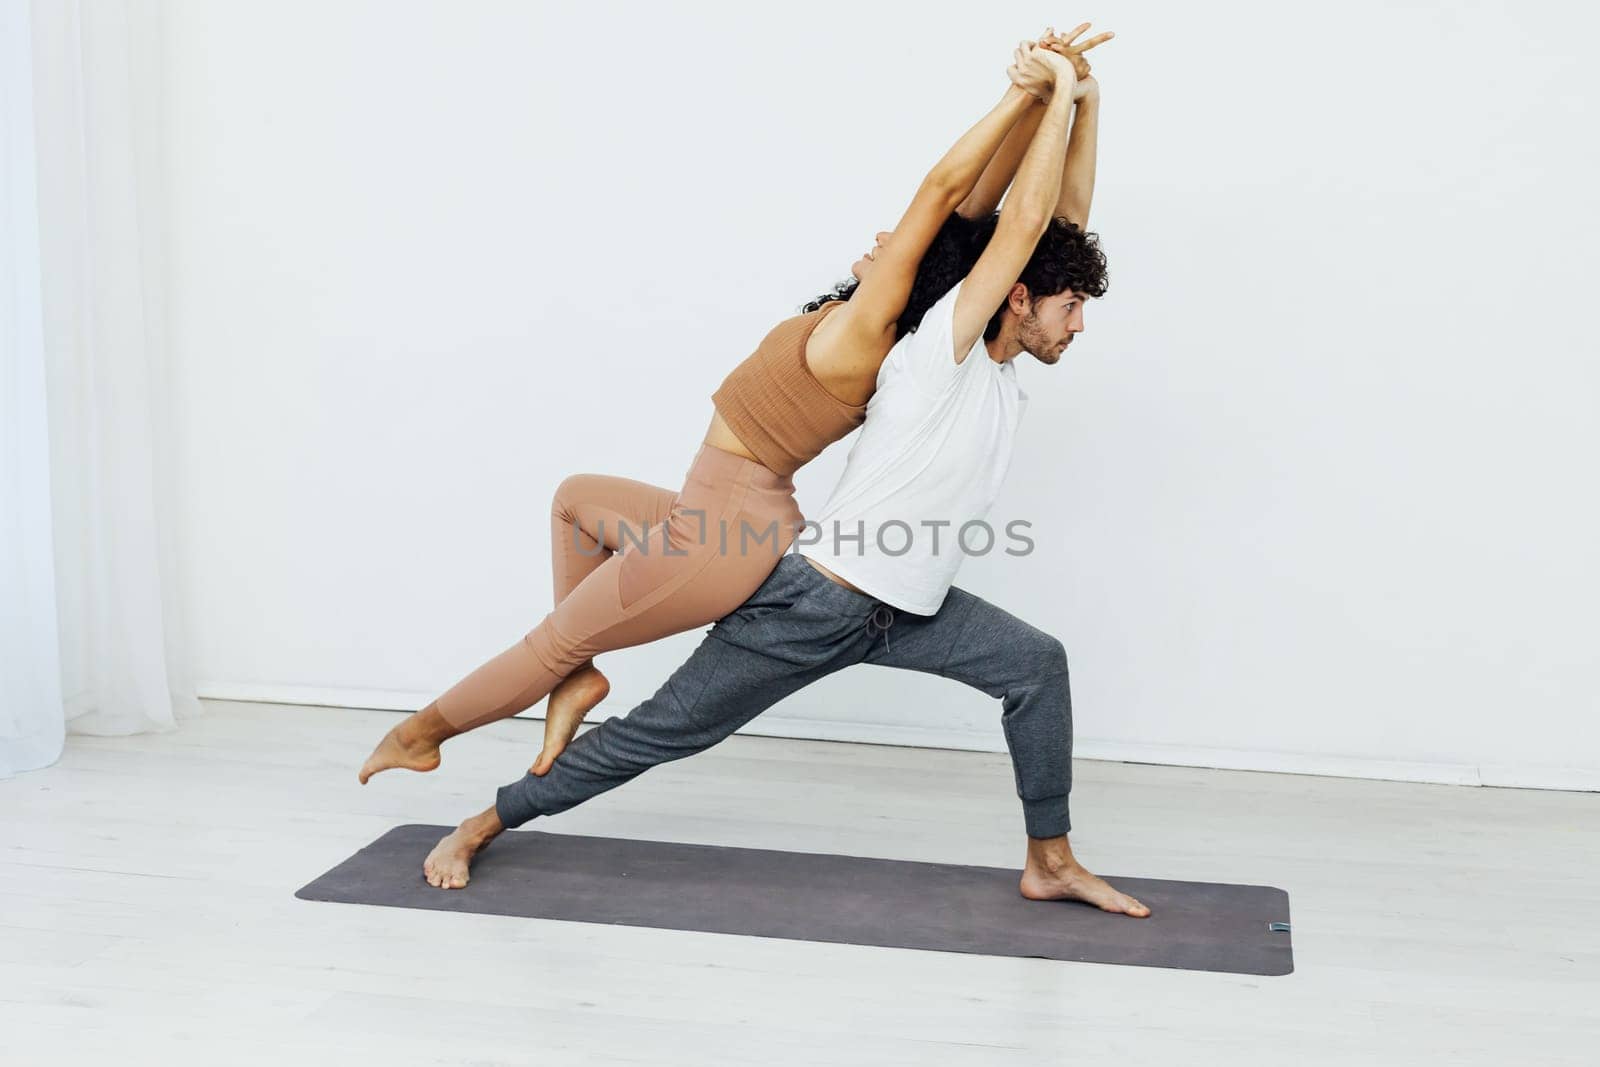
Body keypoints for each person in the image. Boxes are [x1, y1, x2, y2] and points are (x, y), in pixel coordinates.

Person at [418, 34, 1149, 918]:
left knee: (1037, 666)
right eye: (1070, 308)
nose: (1078, 326)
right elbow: (1026, 229)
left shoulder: (999, 368)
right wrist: (1055, 90)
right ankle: (482, 822)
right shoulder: (941, 353)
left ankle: (1051, 858)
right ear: (1020, 299)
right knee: (661, 734)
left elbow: (1053, 234)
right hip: (817, 602)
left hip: (905, 609)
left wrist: (1088, 105)